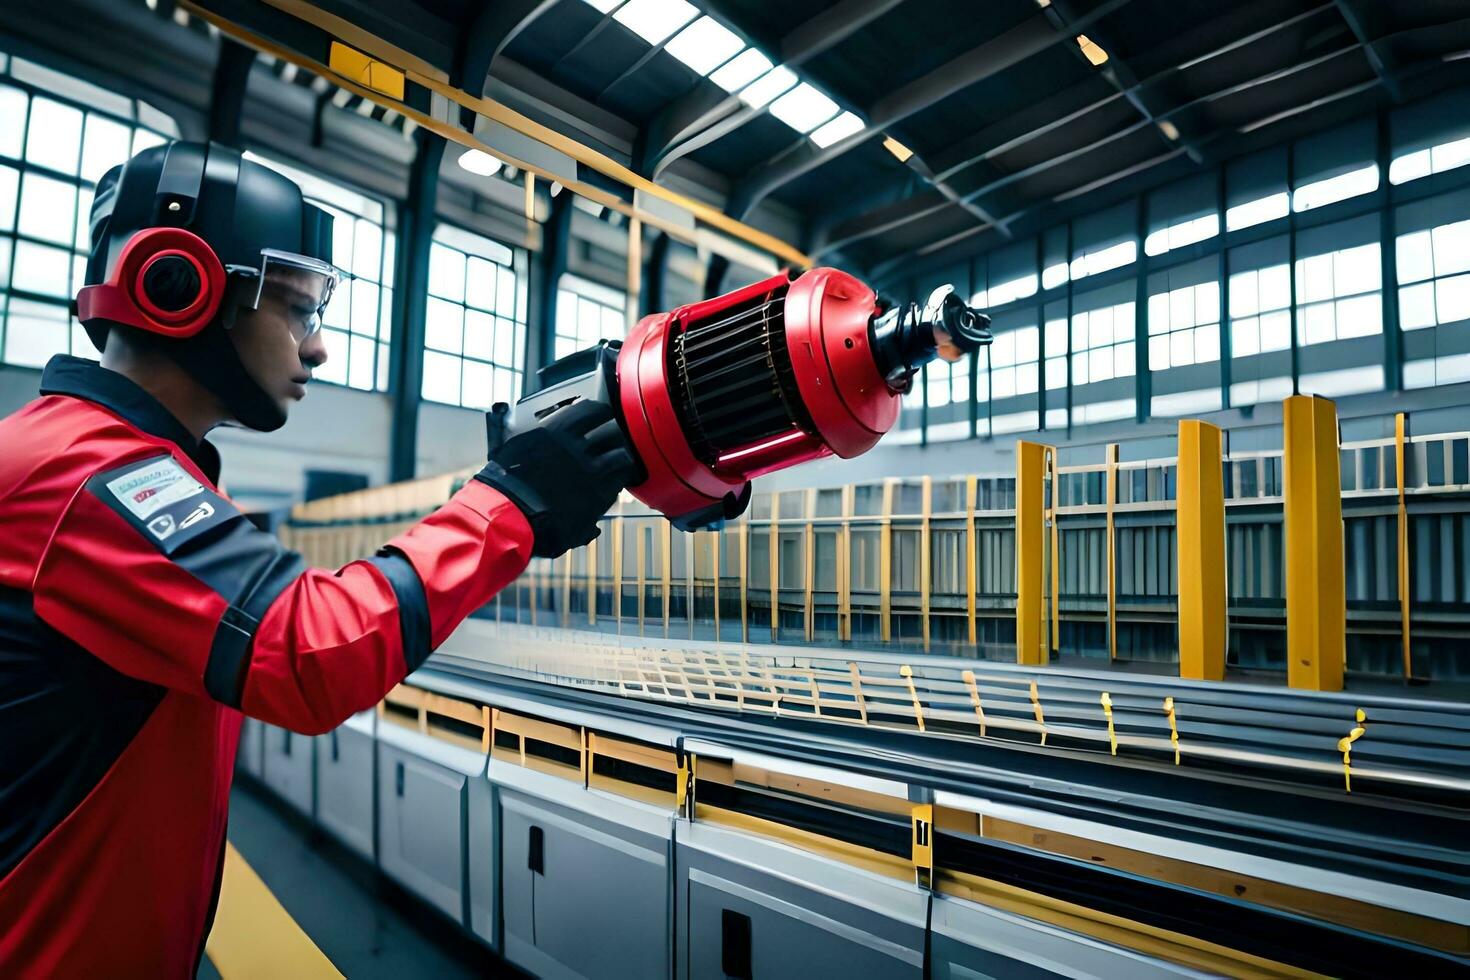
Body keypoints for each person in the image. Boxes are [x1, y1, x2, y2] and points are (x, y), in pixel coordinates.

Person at [0, 141, 633, 976]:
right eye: (299, 310)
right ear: (179, 286)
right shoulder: (87, 476)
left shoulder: (103, 460)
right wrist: (507, 503)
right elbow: (307, 653)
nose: (319, 348)